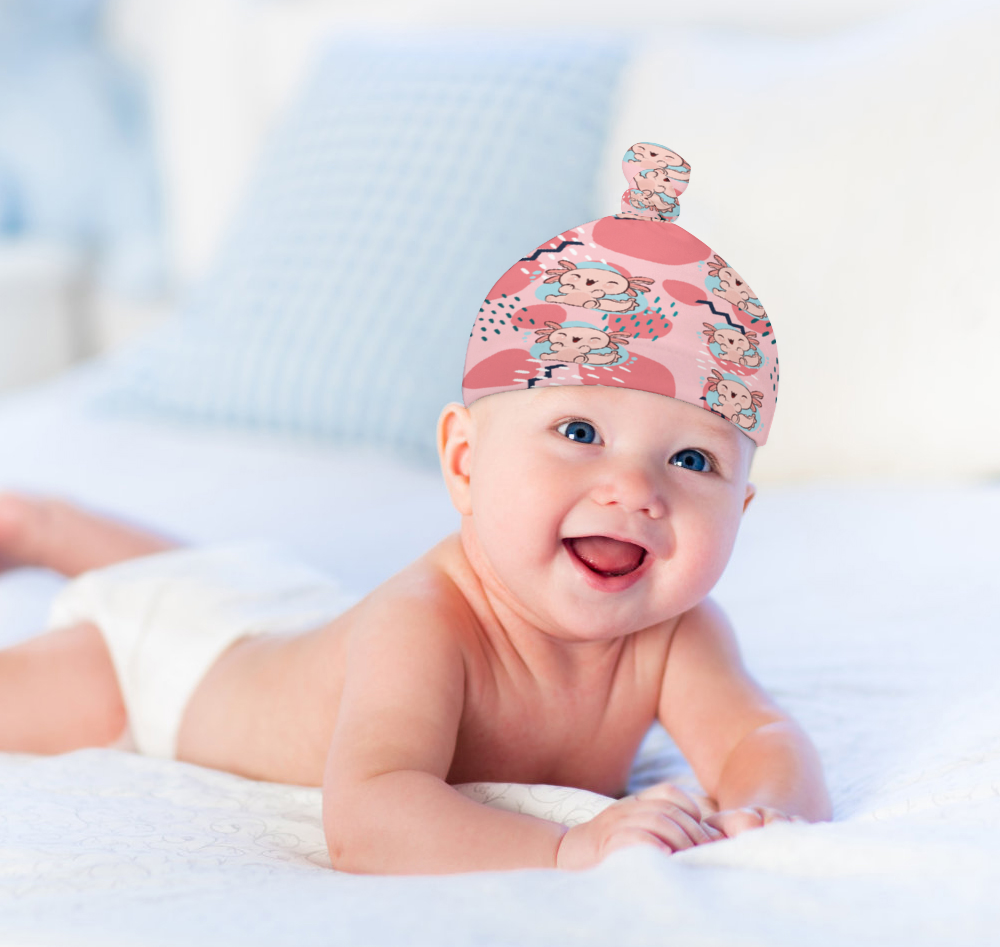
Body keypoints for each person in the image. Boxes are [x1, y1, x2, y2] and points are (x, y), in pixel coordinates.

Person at [0, 145, 831, 874]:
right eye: (580, 431)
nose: (637, 491)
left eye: (693, 460)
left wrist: (764, 812)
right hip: (167, 673)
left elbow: (758, 740)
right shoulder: (422, 625)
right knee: (94, 660)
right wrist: (565, 848)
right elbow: (369, 820)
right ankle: (40, 522)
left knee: (222, 585)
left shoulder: (680, 632)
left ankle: (49, 525)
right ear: (466, 463)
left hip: (285, 612)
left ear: (743, 508)